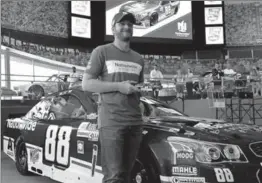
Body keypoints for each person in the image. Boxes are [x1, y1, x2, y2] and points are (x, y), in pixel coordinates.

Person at [82, 12, 144, 183]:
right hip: (112, 122)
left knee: (127, 175)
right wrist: (119, 86)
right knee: (113, 176)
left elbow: (138, 89)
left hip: (135, 122)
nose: (126, 27)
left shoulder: (139, 58)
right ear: (113, 28)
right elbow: (86, 85)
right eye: (122, 23)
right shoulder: (101, 51)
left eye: (130, 24)